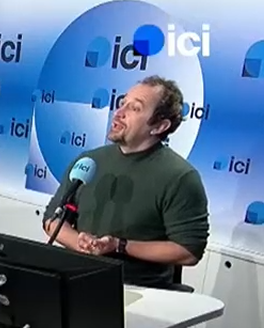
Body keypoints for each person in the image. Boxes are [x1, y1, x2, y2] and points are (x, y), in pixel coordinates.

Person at [43, 75, 209, 288]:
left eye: (135, 108)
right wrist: (82, 243)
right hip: (77, 281)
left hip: (138, 291)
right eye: (122, 103)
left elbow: (189, 251)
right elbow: (52, 220)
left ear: (159, 126)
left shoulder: (180, 177)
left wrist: (120, 246)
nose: (119, 113)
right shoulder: (89, 161)